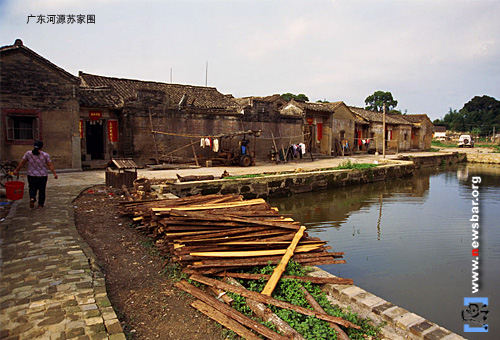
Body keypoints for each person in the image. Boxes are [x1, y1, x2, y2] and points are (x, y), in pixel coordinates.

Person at [13, 140, 58, 208]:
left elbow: (22, 162)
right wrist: (54, 173)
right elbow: (50, 164)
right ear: (41, 147)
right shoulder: (45, 155)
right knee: (42, 190)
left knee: (32, 188)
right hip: (42, 175)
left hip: (31, 175)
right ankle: (40, 204)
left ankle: (32, 197)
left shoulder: (28, 153)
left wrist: (16, 170)